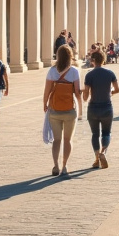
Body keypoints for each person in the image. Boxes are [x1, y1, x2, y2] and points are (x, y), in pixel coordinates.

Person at [43, 45, 82, 177]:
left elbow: (47, 90)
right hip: (69, 110)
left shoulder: (52, 71)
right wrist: (80, 108)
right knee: (68, 140)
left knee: (57, 140)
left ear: (58, 56)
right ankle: (65, 166)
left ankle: (55, 165)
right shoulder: (74, 71)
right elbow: (77, 93)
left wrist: (45, 104)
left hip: (54, 109)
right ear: (70, 56)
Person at [82, 49, 119, 170]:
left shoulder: (89, 74)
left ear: (93, 61)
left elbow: (86, 95)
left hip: (93, 108)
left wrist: (83, 93)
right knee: (106, 132)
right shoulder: (110, 73)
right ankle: (103, 152)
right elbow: (117, 89)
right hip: (107, 107)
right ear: (103, 59)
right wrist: (109, 93)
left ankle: (97, 158)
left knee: (95, 134)